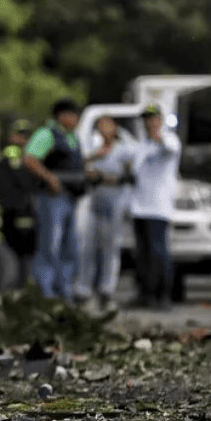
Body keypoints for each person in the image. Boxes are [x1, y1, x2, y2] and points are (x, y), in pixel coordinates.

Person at [22, 98, 84, 300]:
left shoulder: (71, 138)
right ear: (62, 116)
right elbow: (29, 158)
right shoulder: (47, 134)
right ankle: (45, 291)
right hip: (51, 197)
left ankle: (63, 289)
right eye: (73, 115)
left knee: (69, 247)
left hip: (70, 197)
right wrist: (49, 178)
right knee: (49, 244)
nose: (76, 119)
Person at [73, 116, 136, 311]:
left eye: (107, 126)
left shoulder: (125, 149)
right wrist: (94, 160)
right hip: (94, 200)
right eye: (100, 126)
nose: (103, 130)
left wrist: (104, 178)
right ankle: (83, 291)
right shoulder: (95, 148)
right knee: (87, 246)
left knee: (110, 249)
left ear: (114, 128)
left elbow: (129, 176)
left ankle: (106, 291)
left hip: (115, 201)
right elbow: (82, 167)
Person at [128, 103, 182, 310]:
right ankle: (144, 293)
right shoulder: (141, 145)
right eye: (146, 119)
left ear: (159, 120)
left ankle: (163, 295)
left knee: (159, 252)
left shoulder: (169, 140)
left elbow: (169, 149)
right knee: (142, 253)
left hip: (158, 207)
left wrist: (157, 135)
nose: (149, 123)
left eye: (153, 119)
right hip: (139, 206)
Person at [0, 118, 38, 282]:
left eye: (25, 136)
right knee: (10, 249)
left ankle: (21, 284)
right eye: (19, 135)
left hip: (25, 210)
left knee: (25, 251)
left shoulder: (30, 159)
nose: (21, 139)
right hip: (8, 211)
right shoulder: (3, 161)